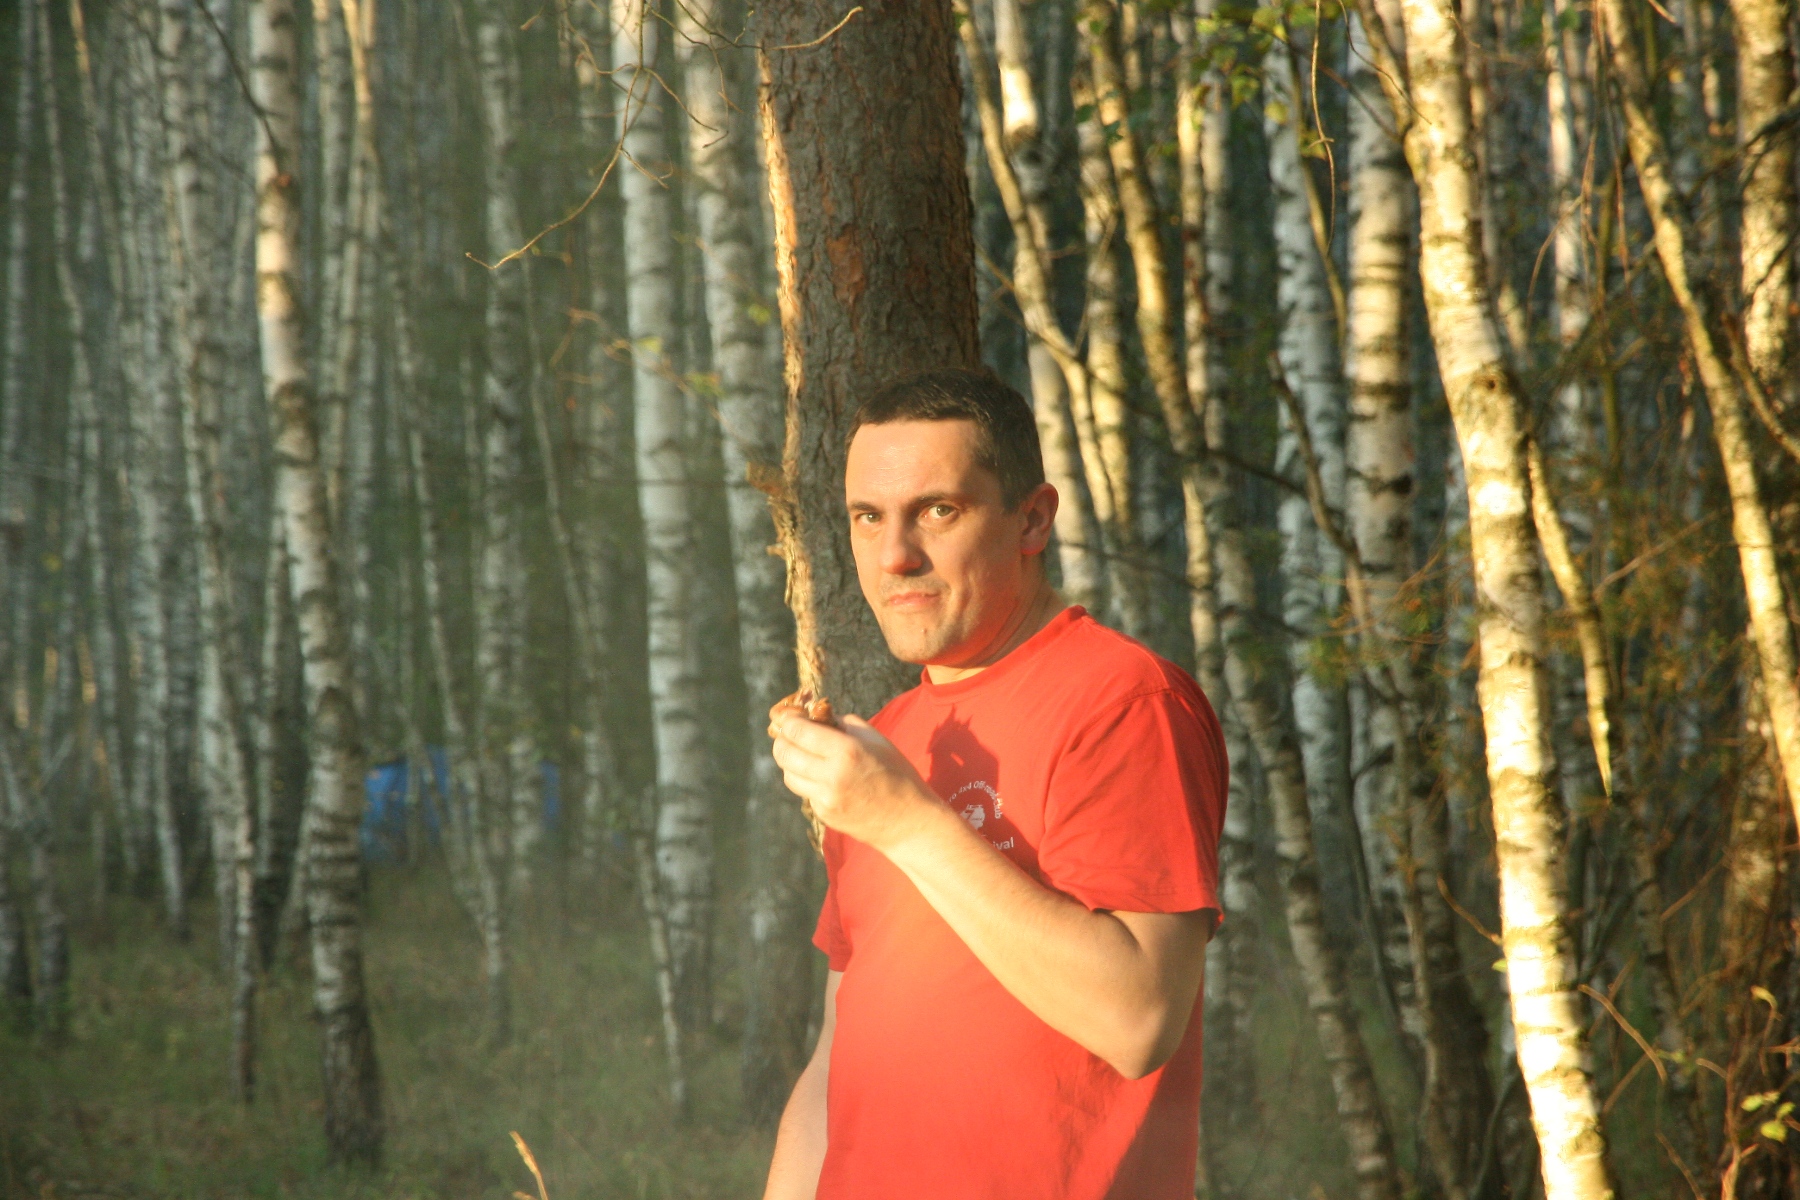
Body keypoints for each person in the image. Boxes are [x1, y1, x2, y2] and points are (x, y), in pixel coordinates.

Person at [763, 369, 1228, 1200]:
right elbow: (837, 1059)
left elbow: (1139, 1019)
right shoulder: (888, 740)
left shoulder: (1124, 702)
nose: (895, 556)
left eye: (938, 510)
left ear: (1033, 519)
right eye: (868, 517)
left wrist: (905, 821)